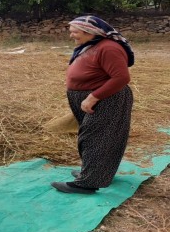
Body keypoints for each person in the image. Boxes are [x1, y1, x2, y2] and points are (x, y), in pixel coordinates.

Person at [51, 15, 135, 194]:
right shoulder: (91, 46)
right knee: (97, 139)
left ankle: (87, 183)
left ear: (90, 31)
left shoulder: (109, 48)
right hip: (92, 99)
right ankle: (95, 173)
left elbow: (121, 78)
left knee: (95, 139)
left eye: (75, 32)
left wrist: (93, 97)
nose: (71, 36)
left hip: (107, 100)